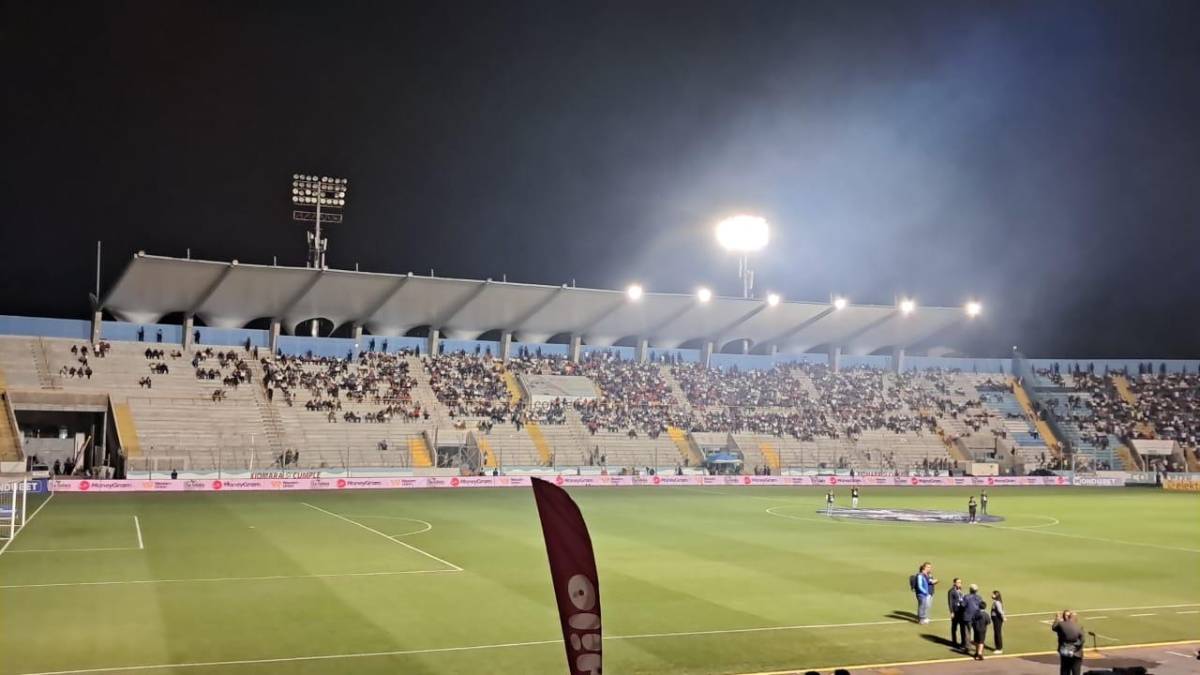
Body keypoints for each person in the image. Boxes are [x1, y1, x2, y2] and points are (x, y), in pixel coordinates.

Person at [1052, 610, 1084, 675]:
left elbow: (1054, 627)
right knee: (1076, 671)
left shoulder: (1061, 625)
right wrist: (1075, 647)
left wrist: (1057, 618)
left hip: (1065, 652)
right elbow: (1082, 640)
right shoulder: (1079, 627)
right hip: (1076, 653)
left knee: (1065, 671)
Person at [948, 578, 967, 649]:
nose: (959, 584)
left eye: (960, 582)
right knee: (954, 627)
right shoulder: (951, 591)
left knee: (962, 628)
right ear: (954, 583)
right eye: (958, 582)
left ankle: (963, 643)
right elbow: (950, 602)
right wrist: (951, 612)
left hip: (961, 612)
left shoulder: (960, 590)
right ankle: (954, 642)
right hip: (955, 612)